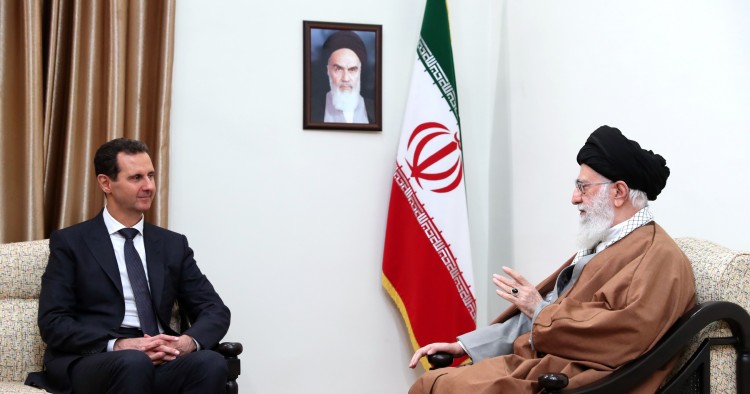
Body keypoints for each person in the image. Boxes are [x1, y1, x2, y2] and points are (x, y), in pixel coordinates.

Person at [408, 126, 696, 393]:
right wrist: (465, 346)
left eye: (583, 187)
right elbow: (541, 318)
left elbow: (625, 337)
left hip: (574, 381)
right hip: (540, 366)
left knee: (440, 386)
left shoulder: (658, 258)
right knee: (433, 383)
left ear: (619, 192)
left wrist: (539, 309)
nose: (574, 197)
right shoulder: (607, 242)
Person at [25, 138, 231, 393]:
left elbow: (214, 309)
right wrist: (119, 344)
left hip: (159, 358)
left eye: (151, 175)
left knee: (210, 363)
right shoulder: (71, 242)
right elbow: (53, 322)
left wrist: (186, 342)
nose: (149, 186)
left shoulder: (171, 244)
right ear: (106, 183)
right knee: (133, 362)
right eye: (136, 178)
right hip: (96, 359)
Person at [312, 30, 373, 124]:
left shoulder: (375, 110)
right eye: (338, 69)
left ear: (360, 71)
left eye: (352, 69)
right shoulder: (312, 110)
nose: (345, 78)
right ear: (328, 70)